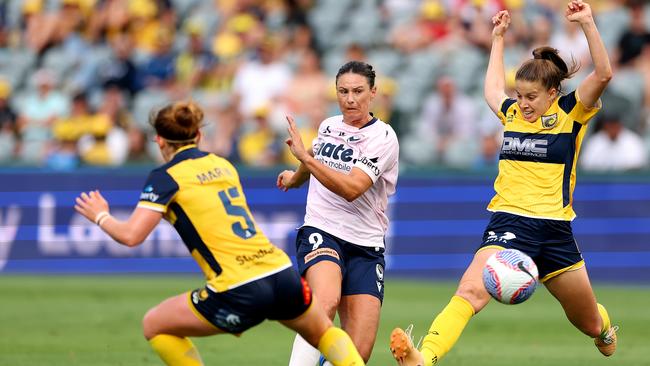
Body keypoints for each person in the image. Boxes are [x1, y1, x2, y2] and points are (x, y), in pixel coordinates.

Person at [389, 2, 617, 365]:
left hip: (555, 230)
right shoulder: (511, 112)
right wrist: (497, 38)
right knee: (469, 290)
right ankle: (424, 356)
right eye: (520, 95)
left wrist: (587, 22)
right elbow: (493, 89)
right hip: (508, 222)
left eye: (531, 97)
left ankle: (605, 329)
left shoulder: (571, 112)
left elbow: (603, 74)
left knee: (589, 322)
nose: (522, 104)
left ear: (552, 93)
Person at [74, 101, 365, 366]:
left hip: (238, 285)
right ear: (199, 135)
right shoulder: (222, 165)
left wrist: (100, 215)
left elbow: (131, 235)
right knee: (325, 333)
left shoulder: (164, 177)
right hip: (279, 271)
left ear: (159, 140)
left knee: (154, 324)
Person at [278, 60, 399, 365]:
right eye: (343, 91)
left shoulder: (383, 138)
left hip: (366, 244)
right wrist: (294, 178)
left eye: (358, 91)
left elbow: (351, 188)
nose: (350, 98)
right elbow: (314, 160)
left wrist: (306, 157)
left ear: (373, 93)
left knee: (359, 351)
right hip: (322, 230)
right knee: (325, 300)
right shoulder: (329, 126)